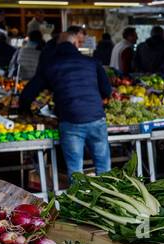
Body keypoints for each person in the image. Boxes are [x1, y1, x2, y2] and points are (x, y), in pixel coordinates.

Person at [17, 35, 113, 176]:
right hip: (96, 119)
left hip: (71, 120)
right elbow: (107, 91)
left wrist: (24, 111)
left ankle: (77, 197)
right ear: (74, 44)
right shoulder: (91, 62)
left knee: (76, 171)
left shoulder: (51, 65)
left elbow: (28, 93)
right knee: (104, 167)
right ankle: (108, 196)